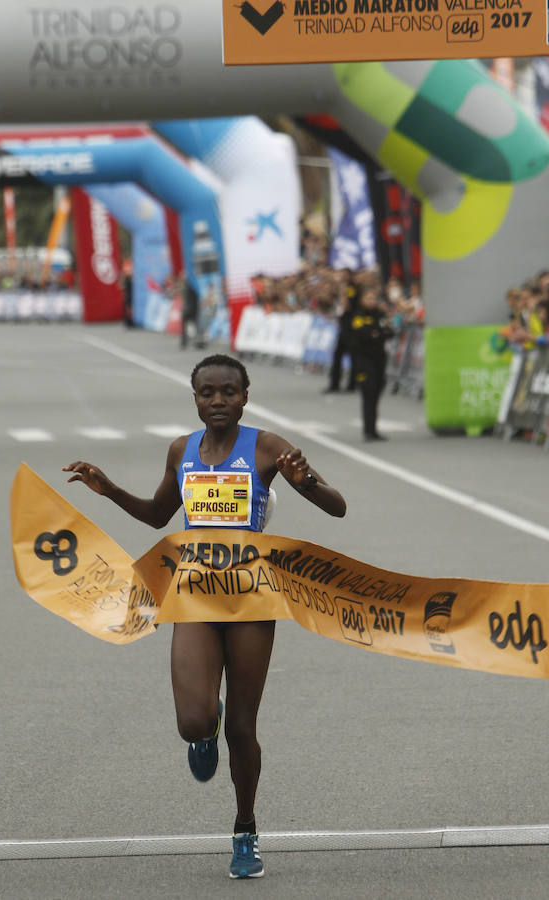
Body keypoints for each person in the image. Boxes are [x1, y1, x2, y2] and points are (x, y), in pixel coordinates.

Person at [63, 354, 346, 880]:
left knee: (243, 725)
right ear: (194, 399)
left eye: (229, 392)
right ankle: (203, 728)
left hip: (252, 599)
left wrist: (305, 481)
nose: (218, 401)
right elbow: (156, 515)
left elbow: (337, 507)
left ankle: (245, 829)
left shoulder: (266, 447)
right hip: (194, 593)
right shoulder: (182, 450)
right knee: (194, 720)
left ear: (246, 396)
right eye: (207, 393)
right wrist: (109, 490)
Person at [348, 286, 395, 441]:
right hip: (363, 360)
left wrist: (376, 333)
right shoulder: (358, 315)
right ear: (362, 300)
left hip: (379, 359)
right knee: (368, 392)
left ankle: (373, 429)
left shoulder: (380, 314)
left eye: (374, 298)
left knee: (376, 392)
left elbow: (390, 331)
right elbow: (363, 335)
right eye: (368, 298)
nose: (372, 301)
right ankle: (368, 430)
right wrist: (376, 333)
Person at [180, 272, 203, 350]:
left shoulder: (187, 287)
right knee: (195, 327)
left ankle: (184, 343)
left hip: (188, 309)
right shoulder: (195, 288)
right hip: (192, 309)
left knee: (187, 327)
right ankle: (195, 343)